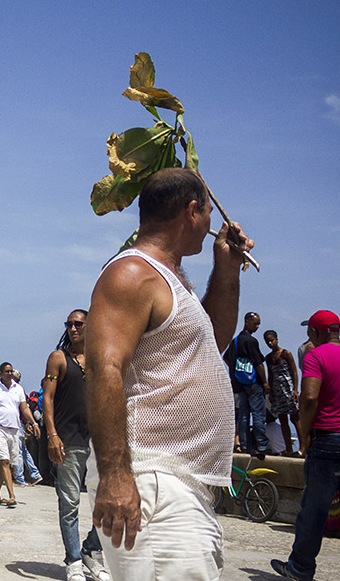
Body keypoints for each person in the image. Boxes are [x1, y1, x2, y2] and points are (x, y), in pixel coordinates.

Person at [85, 168, 250, 580]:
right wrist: (116, 474)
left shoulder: (174, 282)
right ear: (191, 211)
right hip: (149, 476)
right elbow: (104, 370)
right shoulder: (132, 274)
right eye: (208, 213)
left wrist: (227, 271)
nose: (212, 224)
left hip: (174, 481)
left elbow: (212, 340)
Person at [270, 310, 340, 581]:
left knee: (314, 510)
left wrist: (306, 436)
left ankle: (300, 568)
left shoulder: (316, 355)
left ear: (314, 332)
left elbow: (309, 397)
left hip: (330, 440)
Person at [42, 309, 111, 581]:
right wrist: (51, 434)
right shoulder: (58, 359)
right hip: (68, 440)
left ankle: (91, 551)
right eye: (69, 324)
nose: (73, 328)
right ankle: (73, 560)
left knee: (106, 502)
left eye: (78, 324)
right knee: (69, 503)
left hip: (98, 441)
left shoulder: (99, 358)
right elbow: (47, 397)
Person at [0, 361, 37, 508]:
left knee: (5, 463)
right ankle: (12, 495)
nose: (9, 374)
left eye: (11, 371)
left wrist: (33, 423)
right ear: (0, 372)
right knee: (5, 462)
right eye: (6, 371)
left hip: (14, 429)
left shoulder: (18, 388)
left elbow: (24, 408)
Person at [225, 312, 270, 458]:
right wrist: (264, 382)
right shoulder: (251, 341)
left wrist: (238, 371)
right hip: (253, 382)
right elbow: (258, 364)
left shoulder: (236, 341)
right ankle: (262, 444)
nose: (257, 327)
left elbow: (227, 358)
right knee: (258, 413)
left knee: (244, 414)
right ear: (247, 322)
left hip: (239, 383)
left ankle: (244, 444)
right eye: (255, 323)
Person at [264, 329, 303, 457]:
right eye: (267, 341)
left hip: (288, 387)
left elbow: (294, 372)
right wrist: (270, 393)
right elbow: (270, 375)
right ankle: (288, 449)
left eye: (271, 340)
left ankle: (303, 448)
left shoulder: (286, 354)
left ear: (277, 339)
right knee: (282, 419)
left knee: (295, 417)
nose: (270, 343)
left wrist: (295, 389)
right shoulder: (268, 358)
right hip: (277, 389)